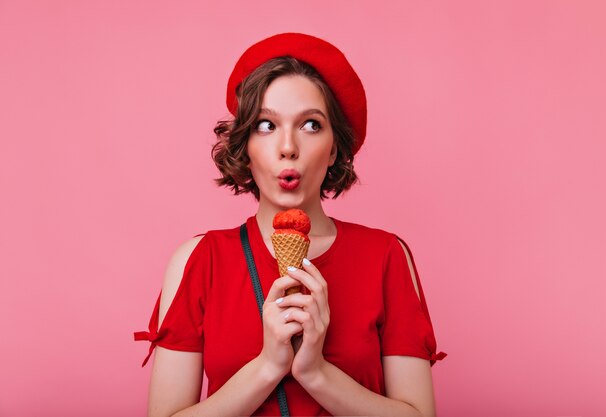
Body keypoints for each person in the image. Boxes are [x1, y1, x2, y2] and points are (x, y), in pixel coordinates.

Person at [134, 32, 447, 417]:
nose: (288, 146)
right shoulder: (198, 260)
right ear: (245, 146)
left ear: (334, 148)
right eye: (266, 125)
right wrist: (268, 365)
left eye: (311, 125)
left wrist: (316, 373)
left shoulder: (386, 256)